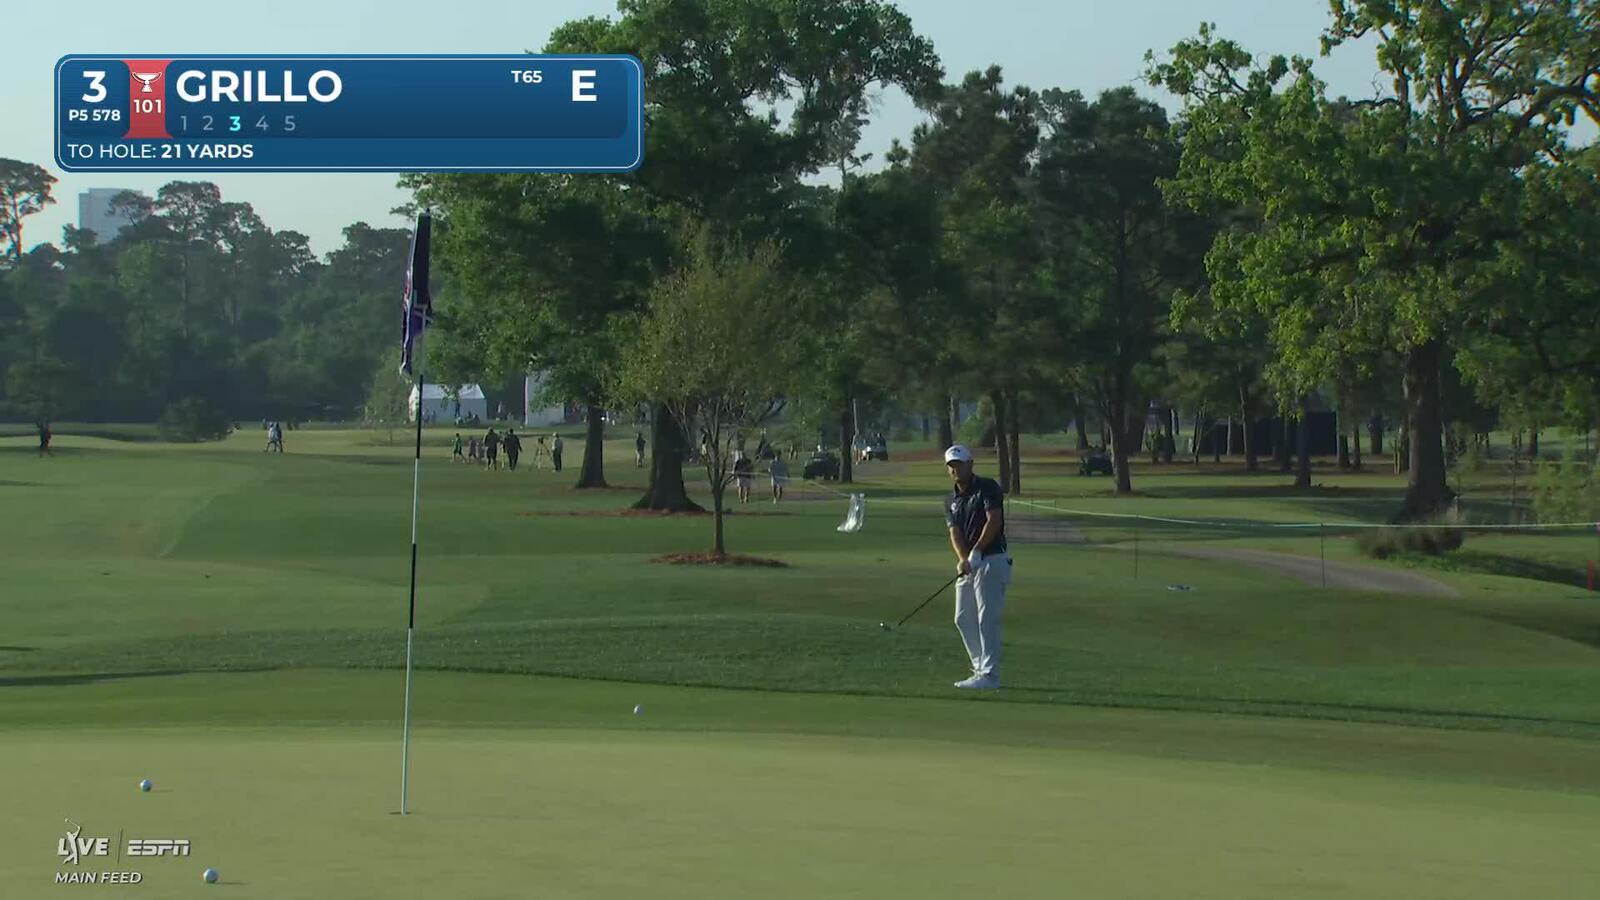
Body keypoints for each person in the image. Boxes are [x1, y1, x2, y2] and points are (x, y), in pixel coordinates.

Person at [942, 444, 1012, 691]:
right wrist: (964, 558)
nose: (955, 469)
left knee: (987, 618)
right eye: (951, 466)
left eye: (959, 464)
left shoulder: (987, 487)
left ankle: (990, 675)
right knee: (962, 618)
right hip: (971, 564)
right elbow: (955, 532)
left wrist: (978, 550)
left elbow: (994, 521)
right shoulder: (950, 500)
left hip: (993, 559)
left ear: (970, 464)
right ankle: (980, 668)